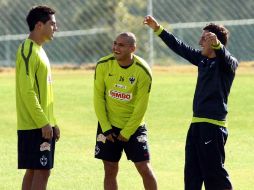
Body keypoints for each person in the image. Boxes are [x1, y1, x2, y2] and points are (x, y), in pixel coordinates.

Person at [144, 15, 238, 190]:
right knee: (192, 175)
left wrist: (218, 46)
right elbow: (180, 47)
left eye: (204, 38)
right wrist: (158, 29)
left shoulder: (226, 64)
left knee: (215, 176)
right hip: (196, 125)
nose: (199, 41)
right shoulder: (202, 60)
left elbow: (229, 61)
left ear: (215, 41)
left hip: (213, 126)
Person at [94, 32, 157, 190]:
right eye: (115, 43)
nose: (115, 47)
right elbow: (98, 98)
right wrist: (106, 127)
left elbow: (141, 107)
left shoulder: (142, 71)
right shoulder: (103, 64)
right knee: (110, 169)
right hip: (108, 125)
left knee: (144, 168)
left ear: (133, 48)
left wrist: (127, 132)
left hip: (134, 127)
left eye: (121, 45)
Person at [16, 5, 60, 190]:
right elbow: (27, 91)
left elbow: (44, 92)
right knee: (42, 171)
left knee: (35, 170)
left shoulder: (39, 50)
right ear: (39, 25)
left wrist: (53, 121)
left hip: (42, 123)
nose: (56, 28)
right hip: (35, 124)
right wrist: (43, 122)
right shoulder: (28, 50)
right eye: (52, 24)